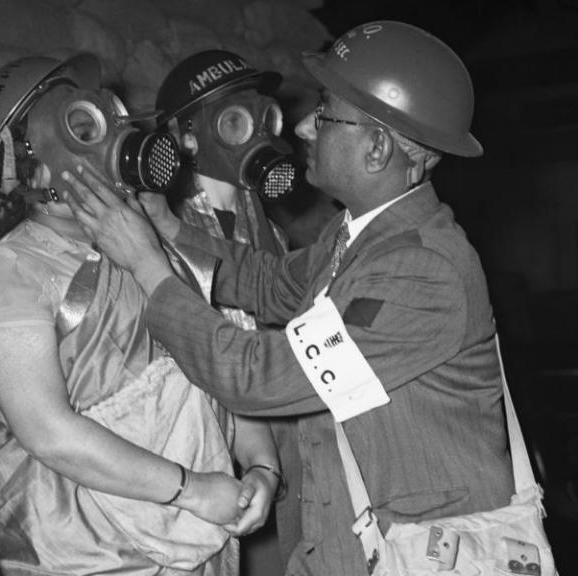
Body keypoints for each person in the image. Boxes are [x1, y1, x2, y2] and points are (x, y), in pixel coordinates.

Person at [63, 20, 517, 576]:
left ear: (376, 148)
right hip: (353, 548)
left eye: (325, 113)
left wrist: (147, 266)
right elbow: (272, 283)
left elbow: (256, 378)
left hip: (415, 554)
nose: (302, 127)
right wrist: (170, 230)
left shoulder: (421, 272)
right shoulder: (361, 235)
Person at [0, 53, 281, 575]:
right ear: (25, 167)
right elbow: (48, 433)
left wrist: (262, 466)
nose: (107, 139)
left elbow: (211, 362)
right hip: (89, 558)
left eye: (106, 118)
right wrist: (190, 490)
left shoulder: (152, 247)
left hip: (201, 545)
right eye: (82, 129)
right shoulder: (4, 274)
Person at [153, 49, 299, 574]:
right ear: (188, 137)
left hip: (283, 446)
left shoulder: (273, 234)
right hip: (213, 455)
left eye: (266, 119)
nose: (257, 133)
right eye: (234, 122)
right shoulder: (164, 237)